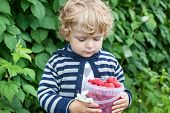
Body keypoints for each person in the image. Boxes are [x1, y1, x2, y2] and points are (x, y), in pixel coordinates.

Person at [37, 0, 132, 113]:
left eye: (97, 39)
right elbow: (44, 94)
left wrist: (126, 98)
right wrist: (70, 106)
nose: (90, 46)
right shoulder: (58, 62)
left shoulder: (109, 61)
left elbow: (121, 88)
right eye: (82, 39)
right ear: (67, 34)